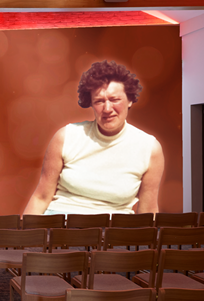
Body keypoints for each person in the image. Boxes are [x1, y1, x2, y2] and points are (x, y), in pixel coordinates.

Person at [24, 60, 164, 215]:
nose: (107, 109)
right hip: (61, 227)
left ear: (130, 100)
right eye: (99, 101)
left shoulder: (149, 148)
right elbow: (41, 197)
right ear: (91, 103)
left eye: (114, 99)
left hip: (113, 233)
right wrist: (25, 236)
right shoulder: (66, 137)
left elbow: (148, 211)